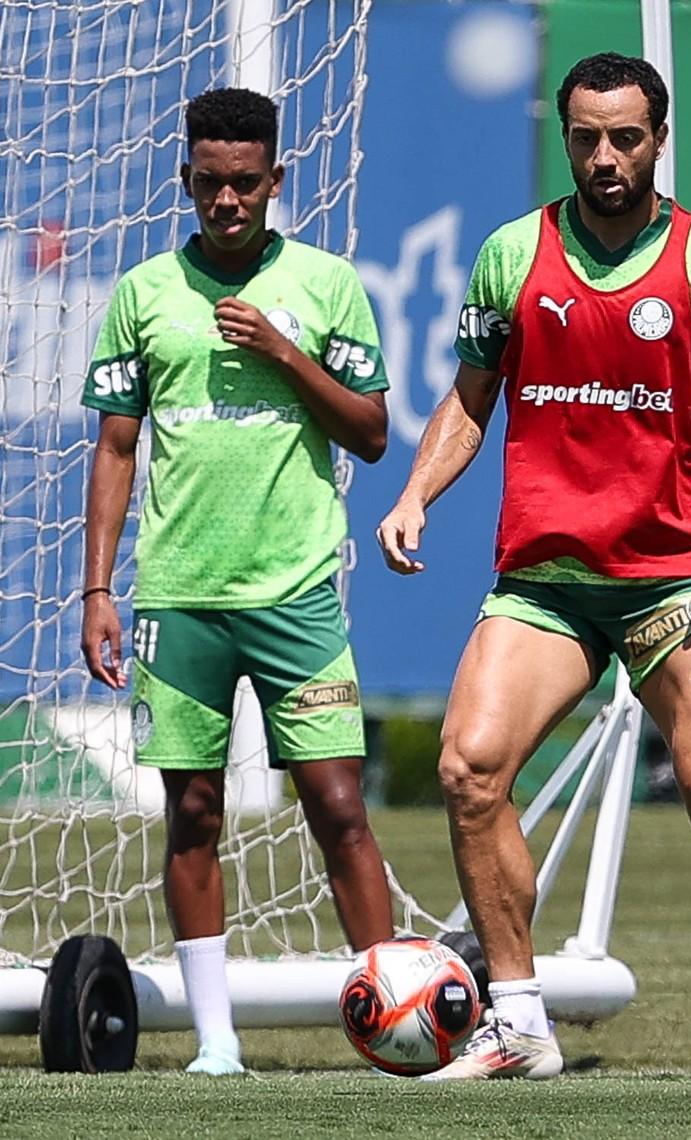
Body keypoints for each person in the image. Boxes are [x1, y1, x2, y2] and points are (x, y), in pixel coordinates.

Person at [377, 52, 691, 1082]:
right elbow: (470, 396)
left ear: (659, 138)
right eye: (585, 137)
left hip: (669, 579)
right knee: (468, 769)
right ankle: (519, 1019)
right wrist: (413, 493)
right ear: (566, 137)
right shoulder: (511, 257)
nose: (605, 156)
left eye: (626, 137)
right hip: (548, 580)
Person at [81, 88, 394, 1075]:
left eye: (246, 183)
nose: (228, 201)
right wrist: (98, 592)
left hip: (297, 592)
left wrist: (282, 350)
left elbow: (374, 432)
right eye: (210, 183)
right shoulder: (144, 293)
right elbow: (117, 445)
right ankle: (217, 1042)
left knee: (338, 803)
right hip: (180, 596)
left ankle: (398, 1022)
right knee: (194, 814)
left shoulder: (328, 283)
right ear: (187, 180)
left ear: (276, 182)